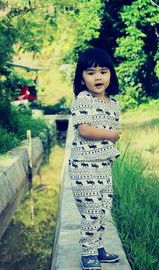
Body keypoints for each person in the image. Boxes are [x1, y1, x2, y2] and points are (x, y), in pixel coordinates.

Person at [68, 47, 120, 270]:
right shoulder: (83, 99)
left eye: (103, 71)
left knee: (102, 209)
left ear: (110, 75)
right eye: (91, 72)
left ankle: (97, 246)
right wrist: (112, 135)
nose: (98, 77)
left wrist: (111, 142)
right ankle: (88, 252)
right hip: (84, 167)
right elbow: (85, 130)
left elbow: (112, 133)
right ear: (82, 78)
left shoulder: (113, 103)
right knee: (90, 209)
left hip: (104, 166)